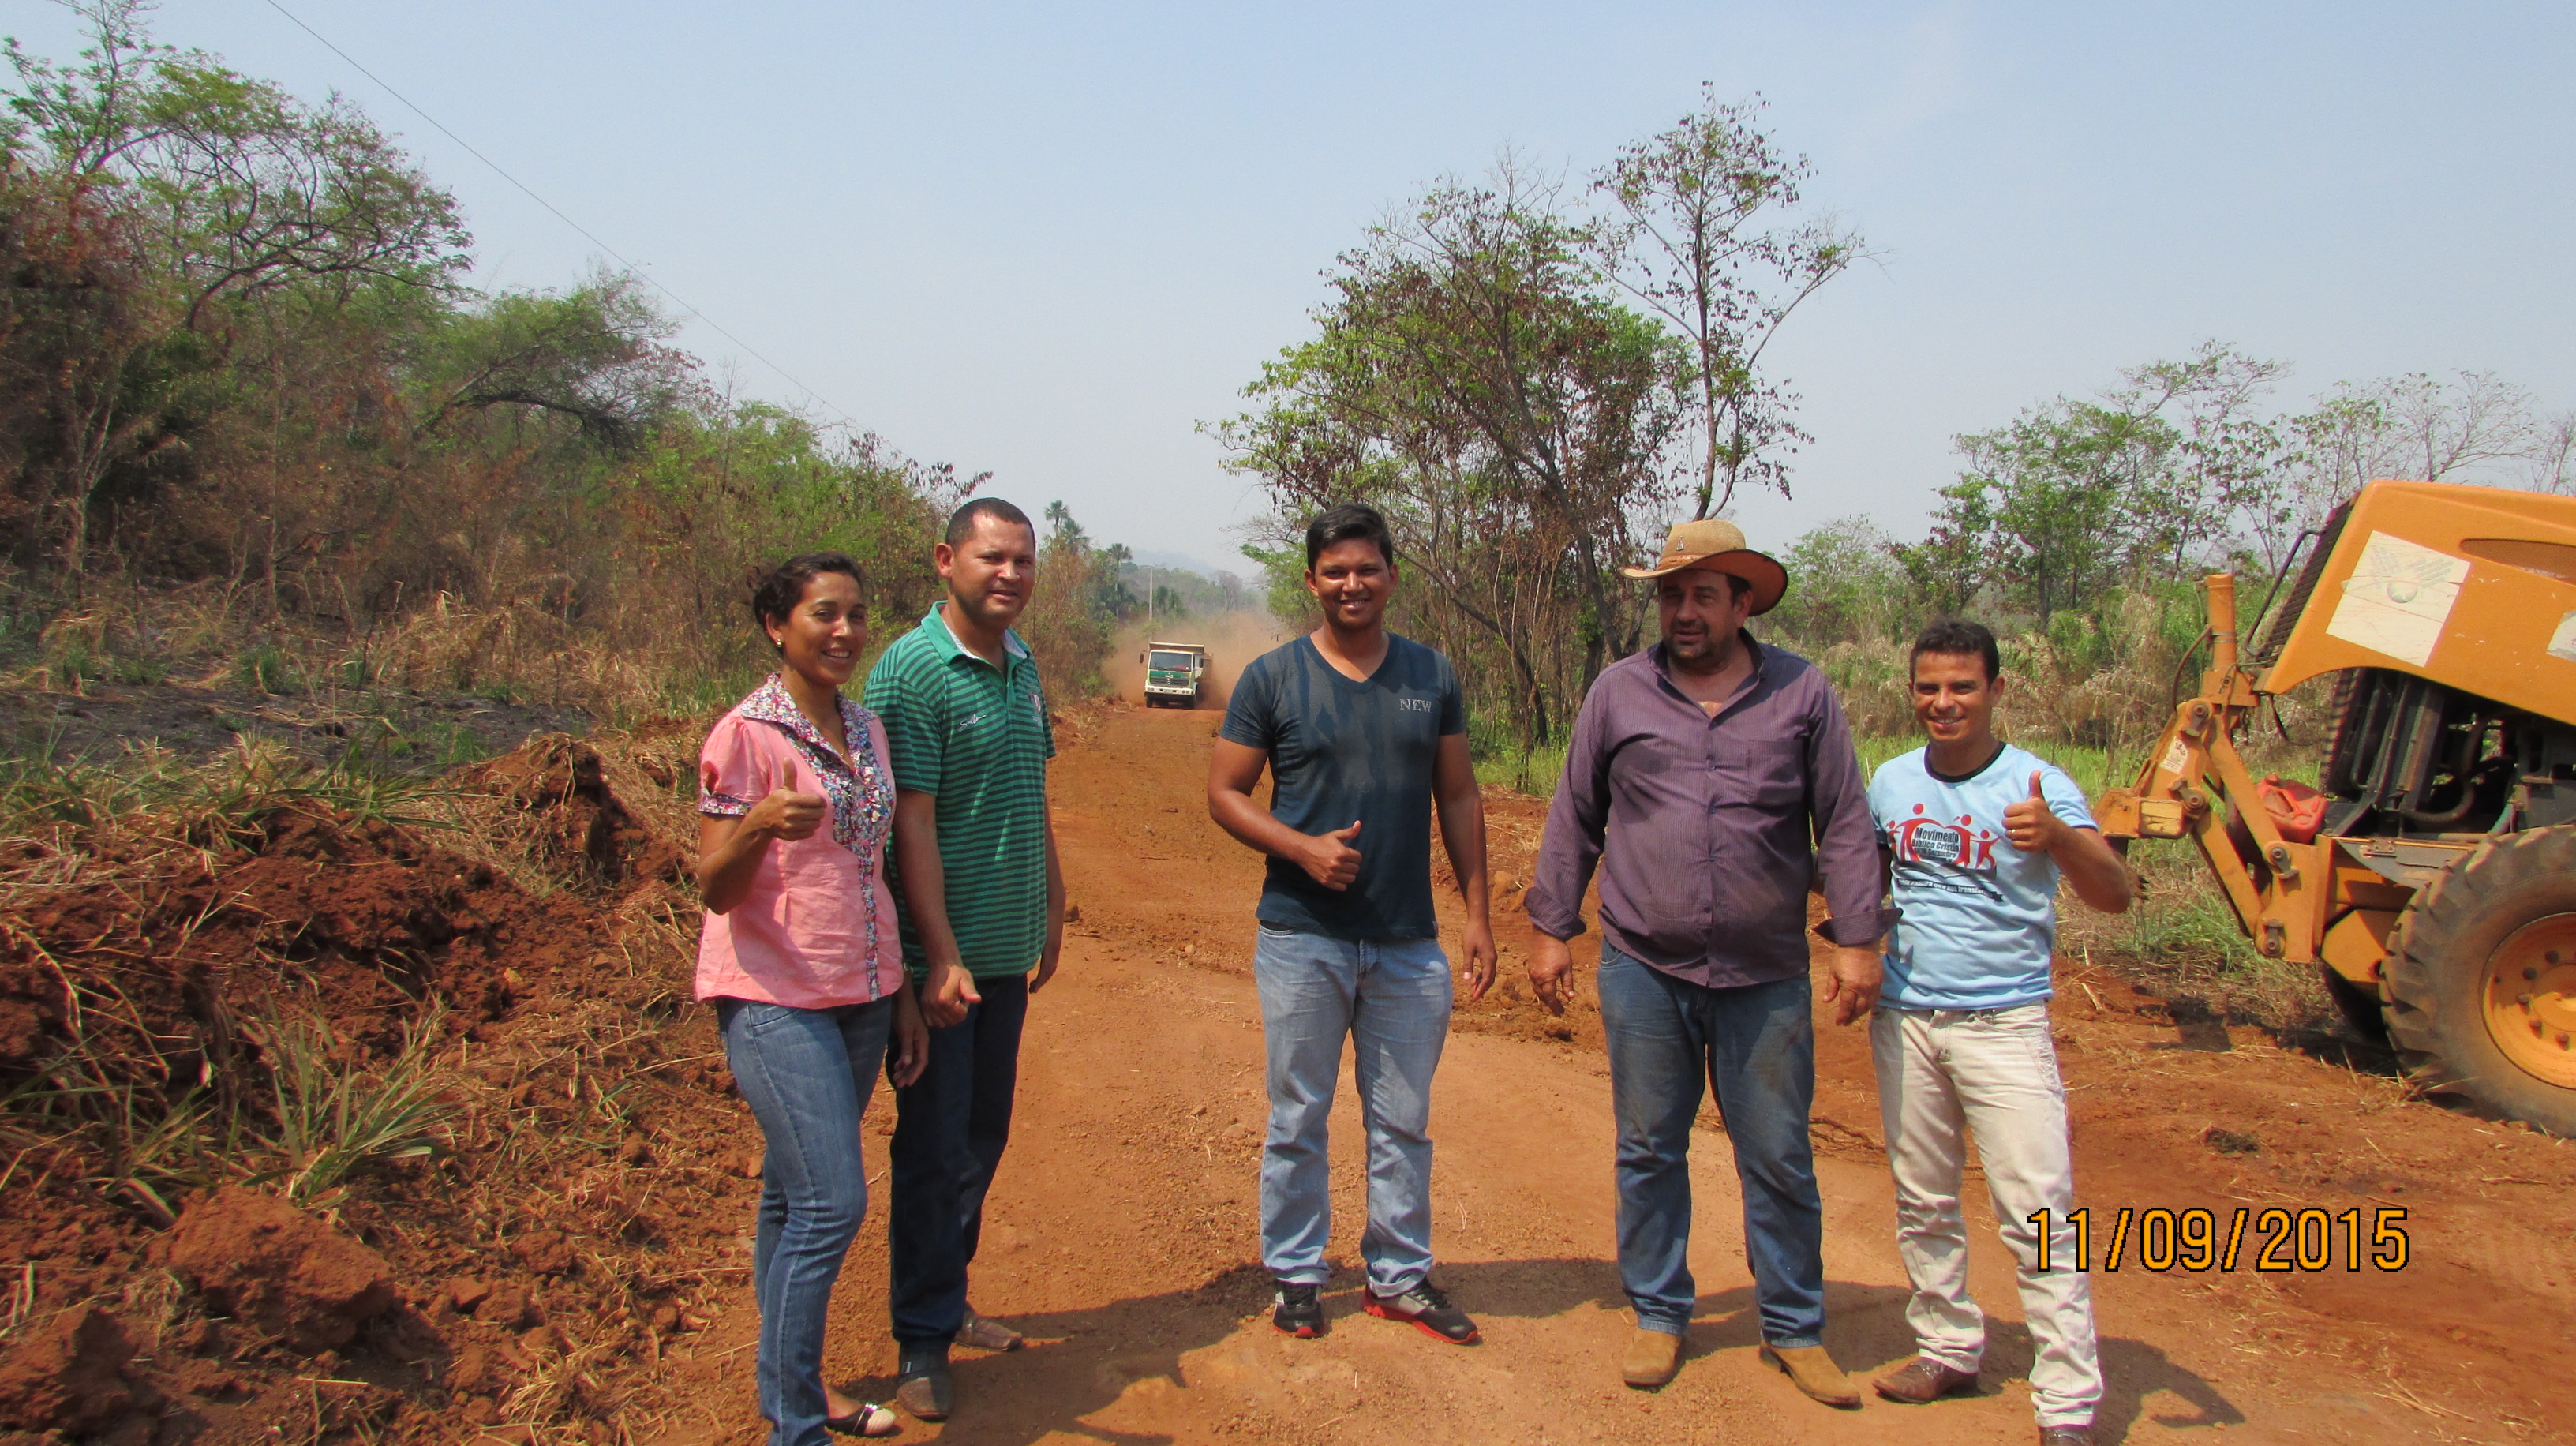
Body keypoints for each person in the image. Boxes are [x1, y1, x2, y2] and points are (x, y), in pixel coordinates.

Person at [1524, 518, 1891, 1407]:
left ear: (1742, 601)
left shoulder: (1801, 693)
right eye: (1670, 595)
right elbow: (1577, 812)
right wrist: (1550, 924)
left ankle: (1795, 1327)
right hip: (1645, 964)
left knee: (1777, 1153)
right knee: (1649, 1146)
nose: (1682, 612)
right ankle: (1659, 1311)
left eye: (1701, 595)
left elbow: (1842, 820)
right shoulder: (1620, 692)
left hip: (1765, 973)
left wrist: (1858, 938)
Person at [1207, 503, 1497, 1347]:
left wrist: (1477, 913)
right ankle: (1297, 1273)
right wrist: (1300, 848)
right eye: (1334, 571)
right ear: (1311, 581)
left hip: (1408, 939)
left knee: (1403, 1116)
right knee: (1299, 1110)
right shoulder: (1273, 678)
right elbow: (1224, 792)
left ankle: (1399, 1275)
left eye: (1367, 568)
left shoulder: (1430, 675)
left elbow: (1461, 794)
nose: (1351, 583)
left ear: (1392, 575)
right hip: (1303, 934)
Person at [1864, 619, 2130, 1446]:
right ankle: (1947, 1345)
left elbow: (2116, 891)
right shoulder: (1891, 781)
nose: (1944, 703)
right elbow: (1866, 878)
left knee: (2041, 1212)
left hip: (2006, 1022)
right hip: (1907, 1017)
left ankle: (2068, 1405)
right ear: (1912, 692)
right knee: (1924, 1197)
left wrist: (2058, 838)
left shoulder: (2039, 783)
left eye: (1962, 687)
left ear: (1996, 691)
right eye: (1929, 687)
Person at [696, 553, 927, 1445]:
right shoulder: (745, 735)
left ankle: (792, 1389)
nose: (844, 631)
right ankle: (795, 1423)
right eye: (824, 613)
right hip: (771, 995)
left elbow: (876, 869)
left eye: (857, 614)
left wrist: (901, 989)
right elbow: (714, 888)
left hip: (861, 993)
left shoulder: (868, 728)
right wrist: (756, 822)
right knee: (833, 1201)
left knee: (793, 1200)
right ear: (776, 625)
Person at [862, 497, 1065, 1424]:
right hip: (941, 964)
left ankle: (947, 1297)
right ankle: (919, 1338)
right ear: (947, 560)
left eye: (1023, 560)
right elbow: (908, 822)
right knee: (935, 1147)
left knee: (983, 1135)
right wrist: (936, 957)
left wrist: (1052, 905)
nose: (1010, 575)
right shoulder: (912, 672)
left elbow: (1035, 792)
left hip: (1005, 952)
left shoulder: (1021, 662)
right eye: (993, 558)